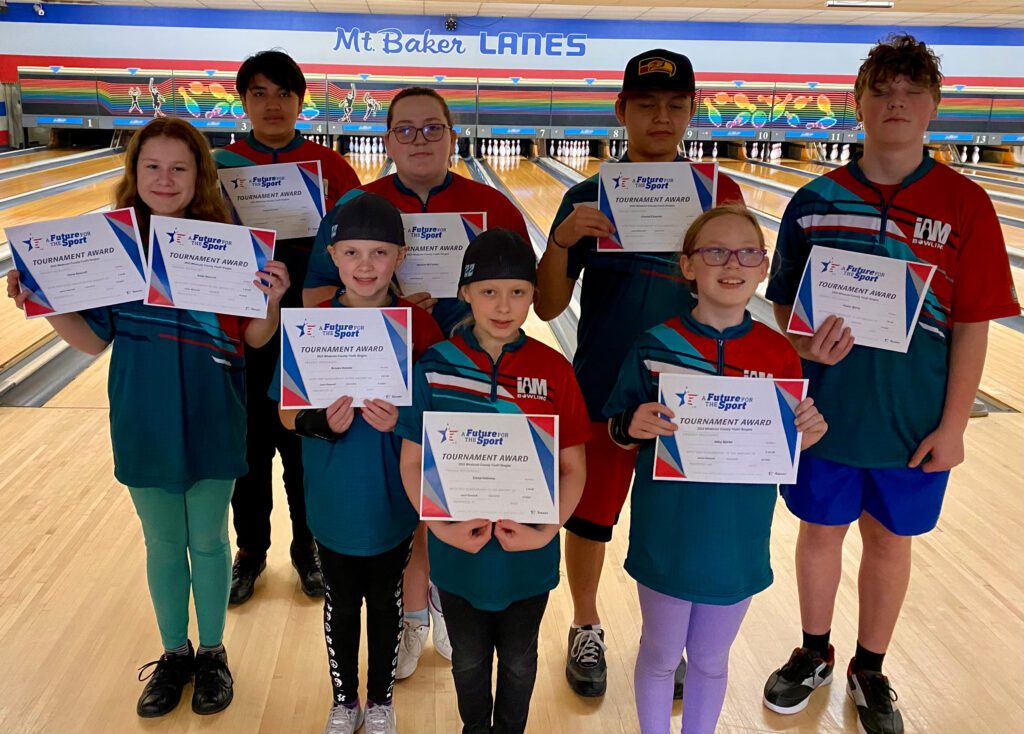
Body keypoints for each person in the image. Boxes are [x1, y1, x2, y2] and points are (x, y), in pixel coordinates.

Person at [761, 34, 1019, 734]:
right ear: (860, 103)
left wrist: (955, 427)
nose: (896, 102)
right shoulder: (813, 201)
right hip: (826, 412)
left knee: (889, 541)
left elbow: (972, 324)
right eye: (882, 90)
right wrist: (803, 340)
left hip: (913, 421)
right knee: (820, 533)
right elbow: (784, 305)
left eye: (910, 91)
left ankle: (869, 666)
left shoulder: (967, 205)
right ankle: (813, 652)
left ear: (933, 105)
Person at [6, 117, 290, 717]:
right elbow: (90, 343)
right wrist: (44, 299)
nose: (166, 178)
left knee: (210, 542)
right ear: (134, 173)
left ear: (199, 176)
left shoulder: (227, 246)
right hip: (142, 415)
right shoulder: (116, 251)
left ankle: (212, 653)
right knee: (163, 543)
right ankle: (174, 652)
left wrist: (271, 297)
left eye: (179, 167)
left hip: (215, 412)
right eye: (152, 166)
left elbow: (257, 337)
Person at [534, 48, 744, 699]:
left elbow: (739, 285)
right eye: (646, 104)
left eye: (675, 105)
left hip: (693, 396)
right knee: (592, 518)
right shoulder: (586, 196)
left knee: (679, 525)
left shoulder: (720, 194)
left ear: (690, 110)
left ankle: (670, 640)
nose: (661, 116)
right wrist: (564, 241)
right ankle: (586, 625)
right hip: (604, 387)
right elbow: (546, 306)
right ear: (621, 109)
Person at [303, 86, 531, 677]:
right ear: (388, 139)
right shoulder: (359, 205)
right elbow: (316, 299)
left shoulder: (493, 204)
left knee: (455, 498)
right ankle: (412, 616)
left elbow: (524, 292)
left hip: (477, 380)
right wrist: (398, 307)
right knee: (408, 500)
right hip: (391, 384)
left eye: (432, 128)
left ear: (452, 136)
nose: (419, 139)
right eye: (405, 129)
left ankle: (449, 604)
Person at [604, 205, 827, 734]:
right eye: (715, 252)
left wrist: (809, 434)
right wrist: (631, 424)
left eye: (748, 252)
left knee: (710, 658)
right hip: (669, 531)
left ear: (763, 266)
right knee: (660, 654)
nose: (733, 264)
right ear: (688, 267)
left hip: (737, 537)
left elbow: (786, 443)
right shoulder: (655, 346)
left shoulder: (779, 354)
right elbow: (616, 428)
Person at [395, 229, 590, 734]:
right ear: (464, 293)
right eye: (488, 291)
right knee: (467, 663)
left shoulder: (554, 371)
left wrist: (547, 531)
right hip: (458, 554)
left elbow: (573, 468)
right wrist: (441, 530)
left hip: (529, 556)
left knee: (522, 663)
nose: (503, 306)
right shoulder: (435, 368)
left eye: (518, 292)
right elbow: (413, 462)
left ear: (534, 295)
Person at [272, 193, 444, 734]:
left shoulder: (421, 331)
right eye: (351, 253)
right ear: (333, 255)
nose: (365, 266)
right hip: (332, 498)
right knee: (341, 607)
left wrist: (405, 418)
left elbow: (442, 419)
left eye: (378, 253)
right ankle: (345, 701)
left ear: (400, 255)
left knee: (388, 605)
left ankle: (381, 701)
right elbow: (285, 412)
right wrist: (318, 422)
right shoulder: (309, 325)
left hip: (392, 498)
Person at [212, 49, 362, 605]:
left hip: (315, 336)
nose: (272, 104)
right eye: (259, 93)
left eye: (283, 93)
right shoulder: (221, 166)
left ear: (301, 101)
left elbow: (358, 242)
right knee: (247, 453)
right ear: (243, 100)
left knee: (304, 452)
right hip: (246, 329)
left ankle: (309, 552)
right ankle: (250, 552)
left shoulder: (332, 167)